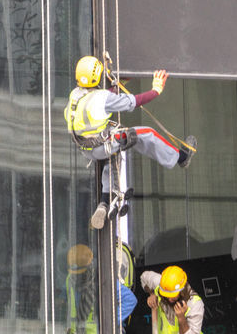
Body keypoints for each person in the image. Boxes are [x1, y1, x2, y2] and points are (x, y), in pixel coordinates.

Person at [64, 55, 196, 230]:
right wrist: (156, 90)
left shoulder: (75, 95)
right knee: (145, 133)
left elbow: (100, 100)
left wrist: (120, 84)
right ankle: (181, 157)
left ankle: (104, 203)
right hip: (102, 144)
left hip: (87, 148)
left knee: (112, 159)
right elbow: (132, 102)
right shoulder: (101, 98)